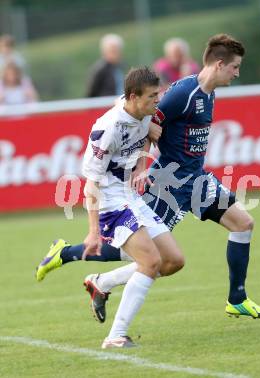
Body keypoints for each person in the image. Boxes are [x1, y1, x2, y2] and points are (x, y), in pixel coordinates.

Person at [36, 34, 260, 322]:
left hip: (197, 181)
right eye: (235, 67)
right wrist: (142, 164)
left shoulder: (208, 92)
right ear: (220, 65)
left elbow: (152, 122)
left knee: (243, 223)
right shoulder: (182, 93)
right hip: (167, 184)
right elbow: (145, 117)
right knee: (143, 255)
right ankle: (69, 255)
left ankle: (237, 299)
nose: (237, 73)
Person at [76, 66, 185, 348]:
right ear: (134, 97)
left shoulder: (142, 113)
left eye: (158, 95)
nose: (157, 102)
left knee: (173, 261)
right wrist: (93, 231)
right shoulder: (107, 129)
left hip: (130, 196)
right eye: (152, 97)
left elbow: (142, 132)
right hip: (110, 201)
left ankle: (102, 282)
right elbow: (91, 185)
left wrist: (140, 164)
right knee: (150, 262)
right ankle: (115, 336)